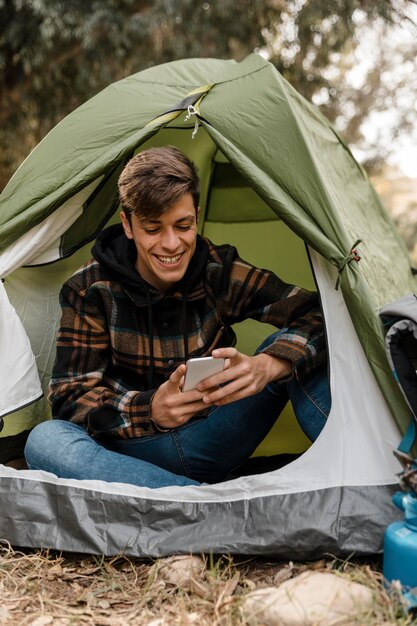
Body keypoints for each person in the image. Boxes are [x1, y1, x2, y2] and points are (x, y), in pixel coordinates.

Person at [25, 146, 330, 488]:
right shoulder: (90, 290)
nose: (171, 244)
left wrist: (267, 367)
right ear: (128, 224)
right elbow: (69, 399)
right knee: (45, 440)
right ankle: (202, 504)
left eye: (183, 226)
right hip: (130, 454)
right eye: (153, 229)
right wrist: (150, 409)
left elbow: (321, 313)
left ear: (196, 216)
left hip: (214, 436)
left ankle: (357, 473)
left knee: (298, 350)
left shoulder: (219, 270)